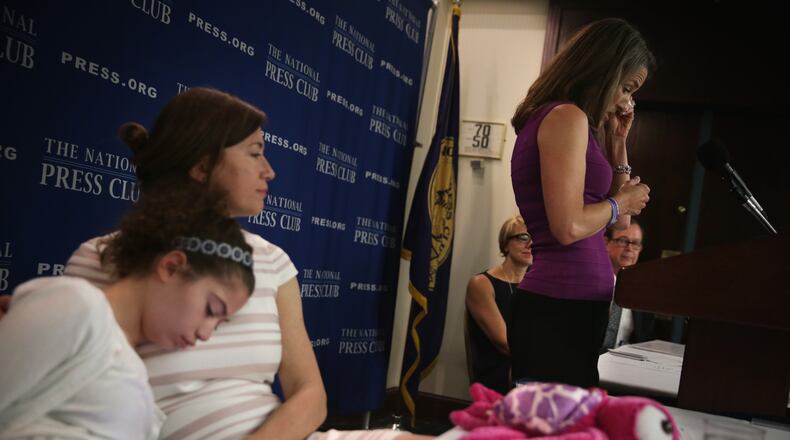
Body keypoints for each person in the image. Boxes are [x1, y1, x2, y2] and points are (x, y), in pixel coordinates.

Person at [63, 88, 429, 440]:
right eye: (255, 153)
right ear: (202, 165)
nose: (269, 171)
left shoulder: (271, 260)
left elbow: (309, 394)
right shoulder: (101, 258)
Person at [0, 186, 254, 438]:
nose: (206, 334)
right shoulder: (79, 305)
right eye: (211, 310)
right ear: (172, 267)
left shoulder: (134, 368)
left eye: (220, 324)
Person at [508, 18, 655, 388]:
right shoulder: (565, 117)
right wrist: (621, 201)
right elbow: (569, 226)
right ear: (603, 70)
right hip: (558, 305)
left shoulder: (580, 124)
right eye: (625, 87)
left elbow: (614, 223)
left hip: (577, 304)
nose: (626, 100)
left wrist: (618, 141)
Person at [465, 216, 532, 394]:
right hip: (500, 368)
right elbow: (505, 344)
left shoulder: (539, 282)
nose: (530, 244)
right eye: (523, 237)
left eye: (535, 239)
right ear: (505, 243)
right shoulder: (481, 283)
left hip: (529, 363)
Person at [602, 218, 654, 349]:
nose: (629, 248)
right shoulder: (589, 284)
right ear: (605, 243)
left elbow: (645, 339)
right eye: (623, 241)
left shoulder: (643, 294)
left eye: (635, 243)